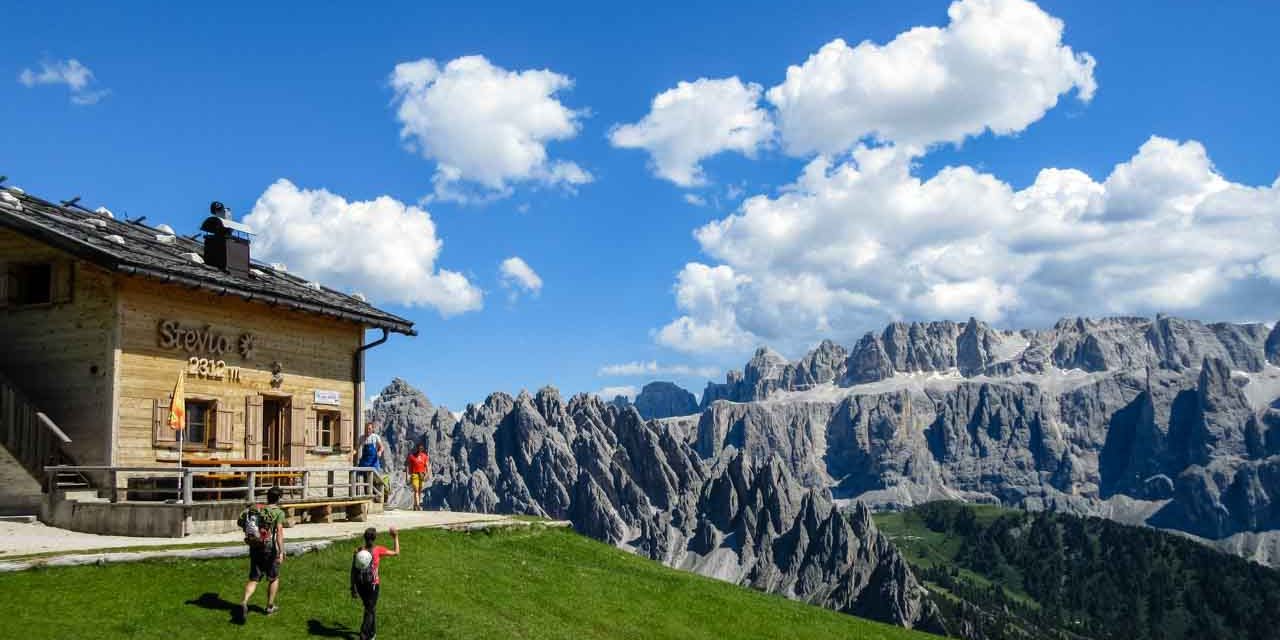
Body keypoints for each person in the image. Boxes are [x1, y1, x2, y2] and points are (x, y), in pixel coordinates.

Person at [237, 486, 286, 621]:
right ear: (279, 498)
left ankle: (244, 601)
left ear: (267, 497)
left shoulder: (257, 510)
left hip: (255, 545)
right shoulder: (278, 513)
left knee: (254, 578)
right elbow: (279, 535)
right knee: (273, 577)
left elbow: (241, 523)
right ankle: (270, 607)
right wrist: (281, 551)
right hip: (269, 548)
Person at [350, 526, 399, 640]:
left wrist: (352, 587)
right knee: (369, 609)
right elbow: (396, 552)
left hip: (360, 584)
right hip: (373, 584)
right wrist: (395, 537)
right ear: (375, 538)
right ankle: (363, 635)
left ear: (364, 537)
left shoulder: (358, 551)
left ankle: (372, 634)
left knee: (370, 607)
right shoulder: (378, 550)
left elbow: (353, 570)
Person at [355, 422, 388, 501]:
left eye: (369, 428)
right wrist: (351, 454)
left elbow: (381, 447)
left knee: (374, 480)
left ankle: (376, 497)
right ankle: (367, 497)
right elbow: (356, 448)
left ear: (372, 429)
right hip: (365, 460)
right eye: (366, 429)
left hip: (373, 460)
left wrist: (380, 452)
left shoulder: (375, 437)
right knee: (365, 478)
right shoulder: (362, 438)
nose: (368, 430)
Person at [405, 443, 429, 511]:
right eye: (419, 448)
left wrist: (427, 475)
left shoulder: (424, 456)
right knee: (416, 489)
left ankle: (415, 505)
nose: (419, 450)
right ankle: (418, 506)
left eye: (421, 449)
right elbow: (407, 466)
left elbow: (427, 466)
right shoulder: (411, 456)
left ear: (422, 449)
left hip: (422, 474)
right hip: (414, 474)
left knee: (419, 491)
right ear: (416, 448)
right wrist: (407, 476)